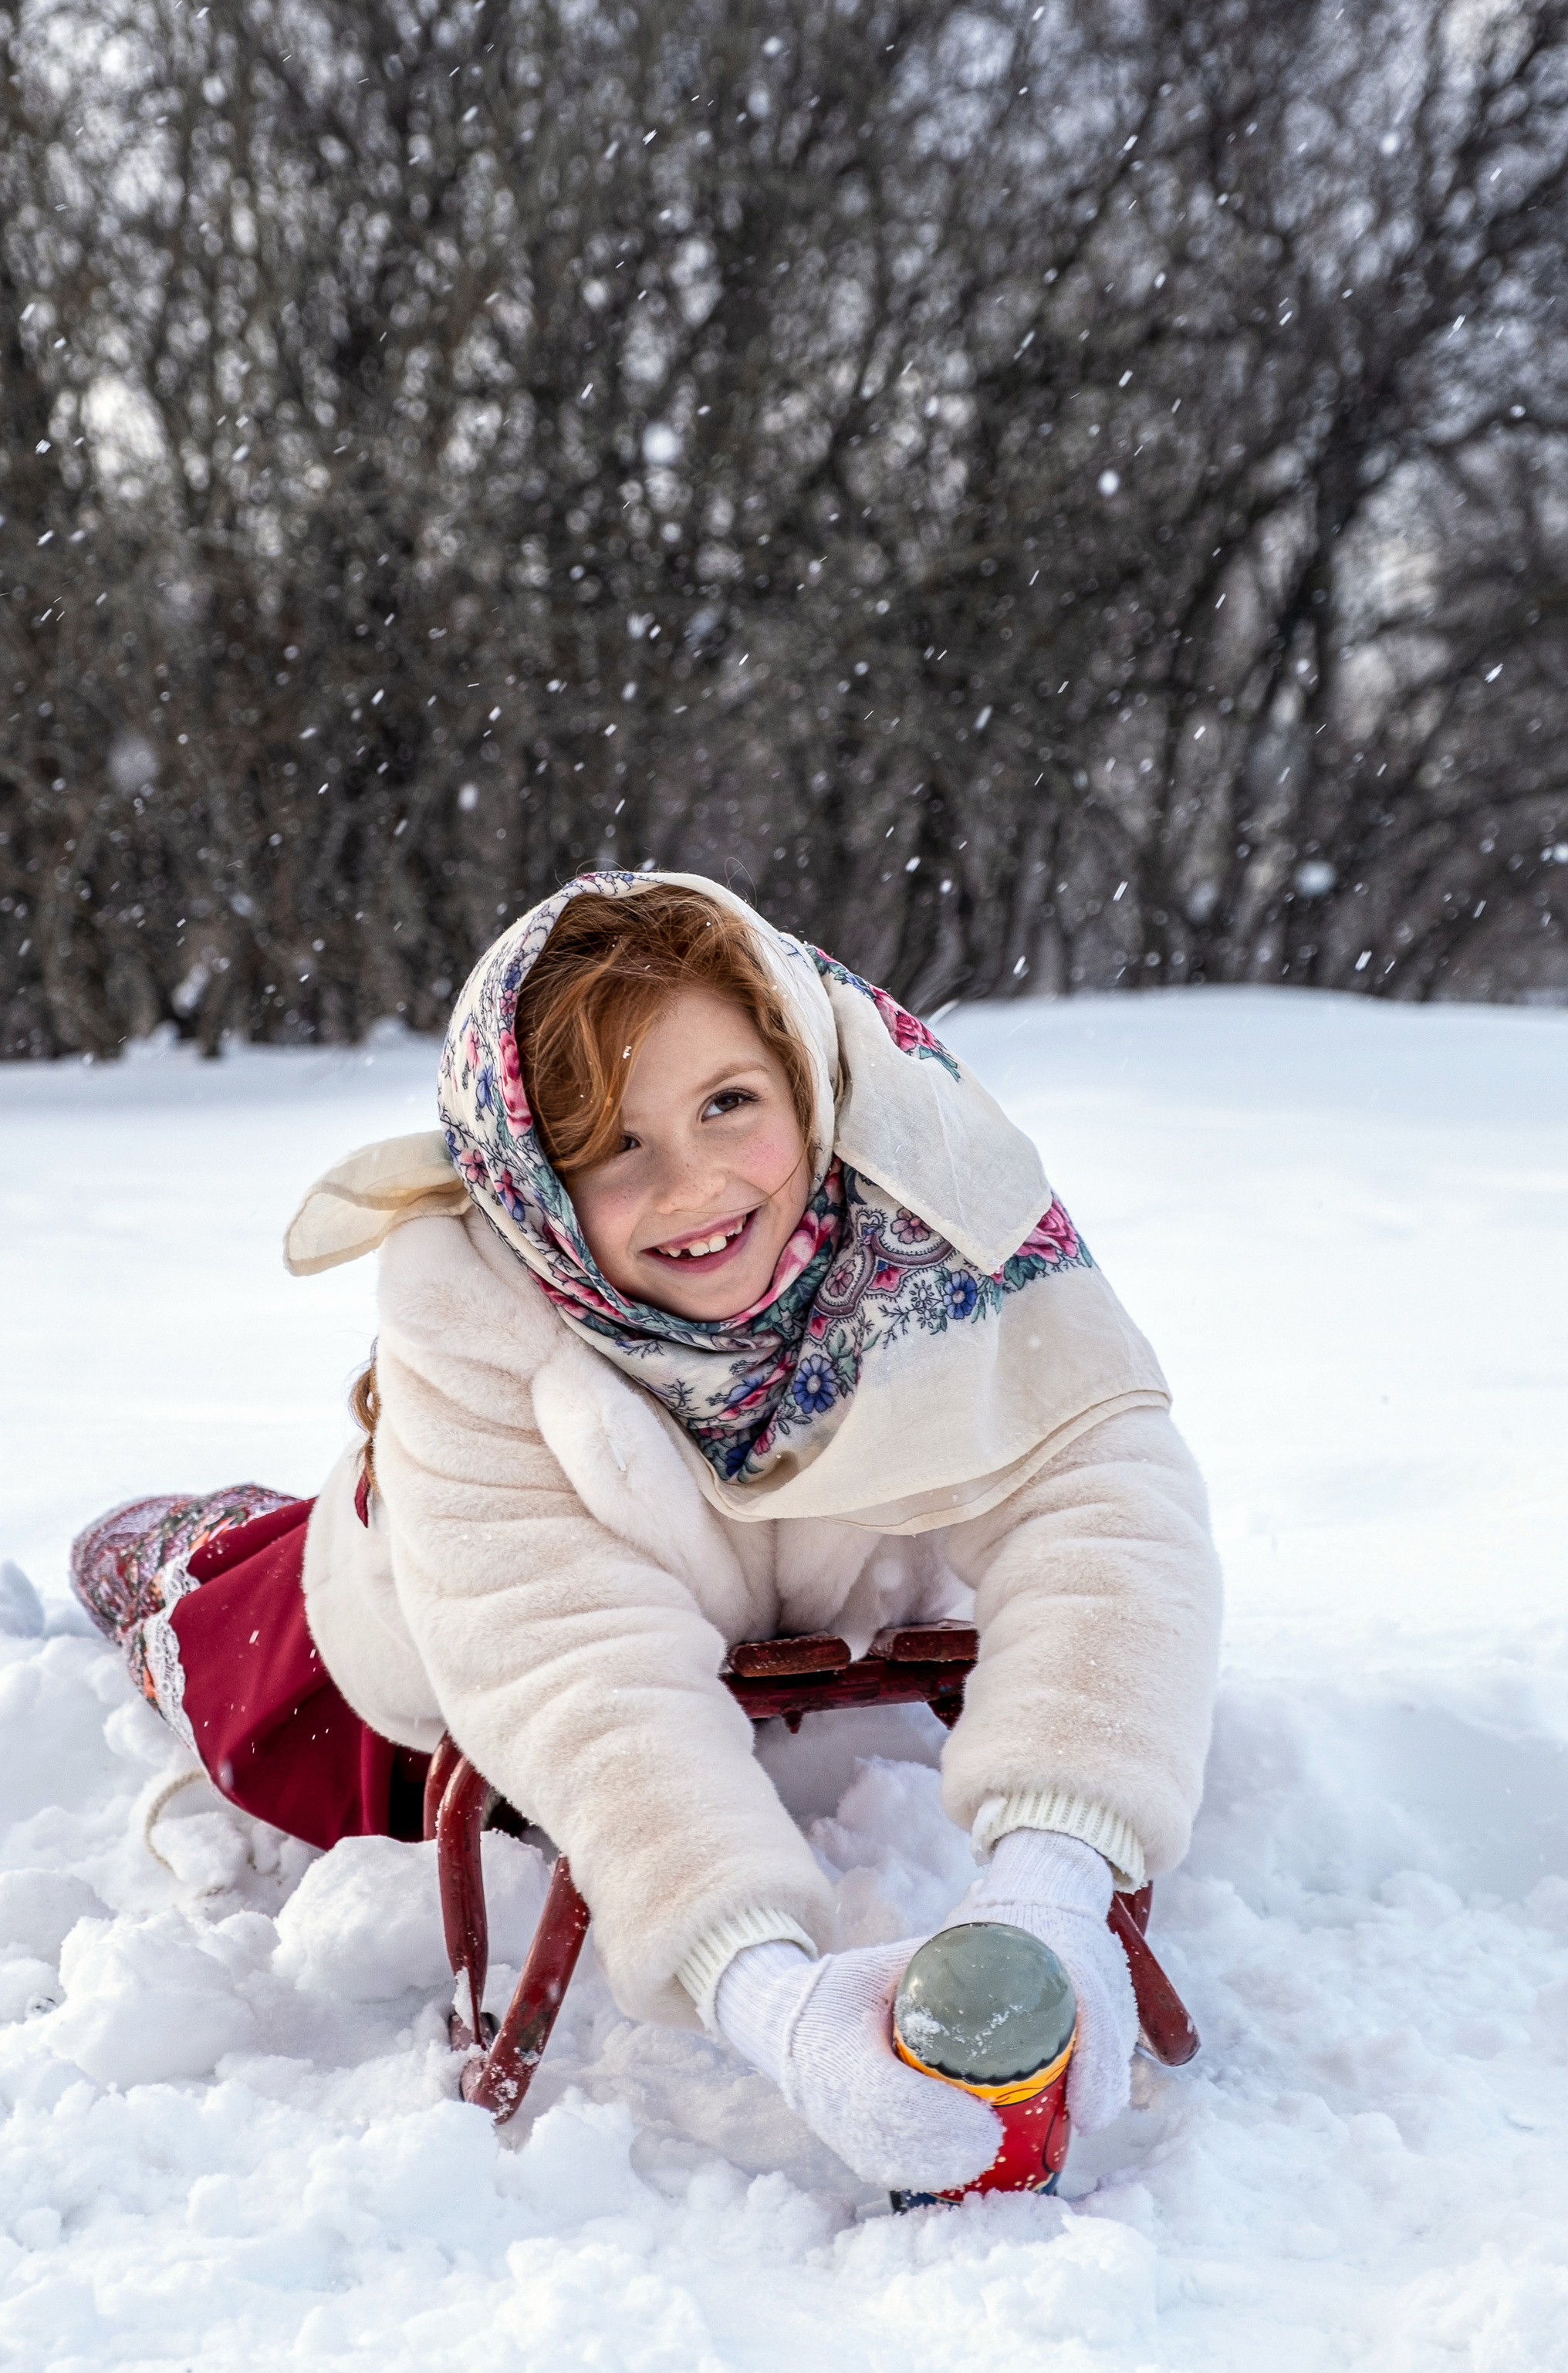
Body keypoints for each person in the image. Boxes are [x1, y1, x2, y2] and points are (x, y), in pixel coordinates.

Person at [73, 873, 1220, 2195]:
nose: (695, 1184)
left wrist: (1058, 1879)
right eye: (614, 1147)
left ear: (804, 1072)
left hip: (780, 1606)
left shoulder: (937, 1211)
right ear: (532, 1180)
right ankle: (178, 1567)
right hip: (446, 1615)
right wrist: (770, 1998)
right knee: (252, 1667)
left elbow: (1105, 1495)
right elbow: (572, 1674)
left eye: (728, 1102)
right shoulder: (473, 1303)